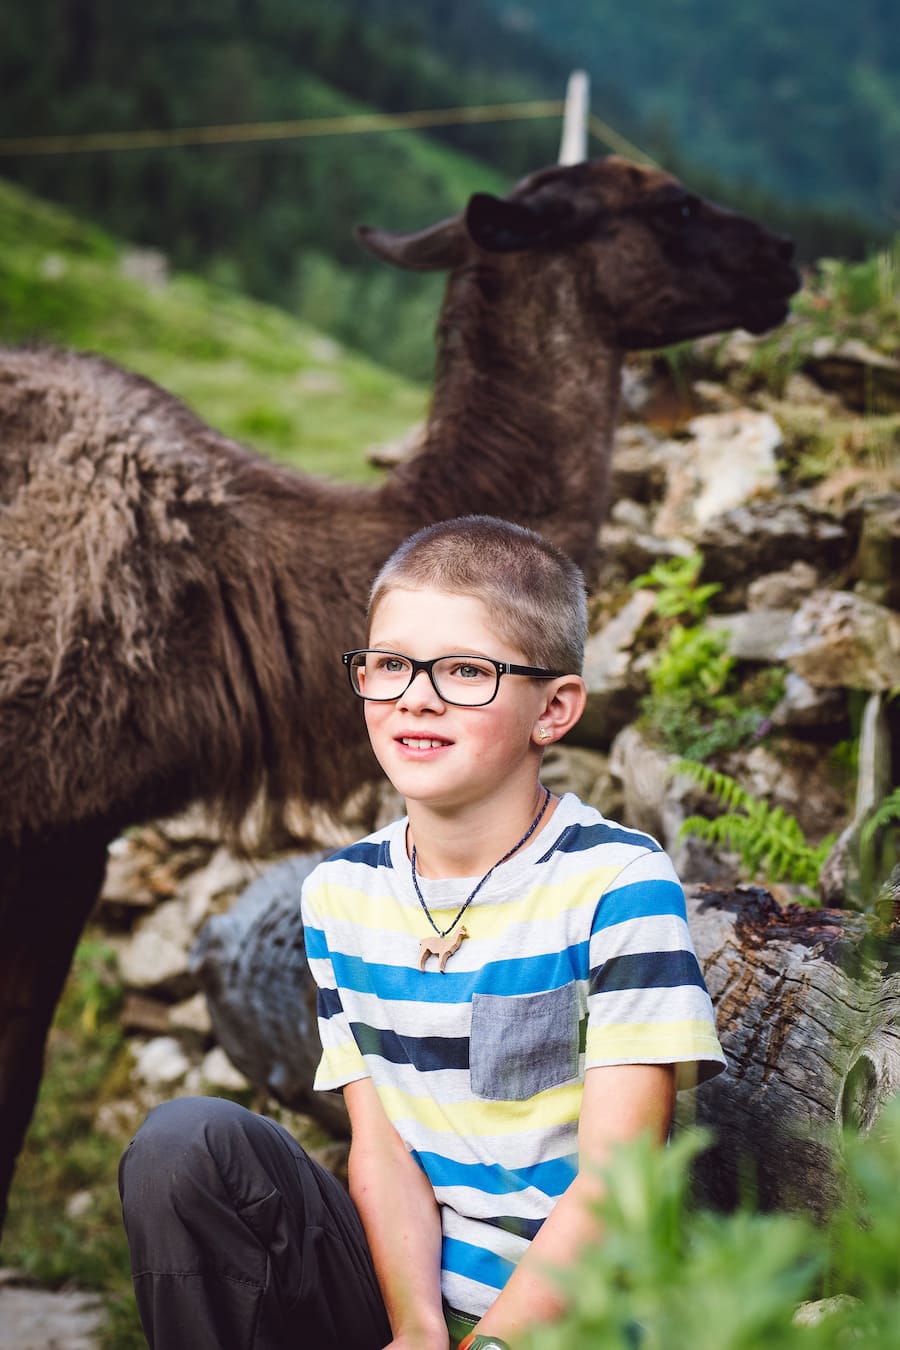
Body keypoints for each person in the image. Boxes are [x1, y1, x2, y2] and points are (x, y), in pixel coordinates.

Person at [119, 515, 725, 1350]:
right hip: (403, 1292)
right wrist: (415, 1330)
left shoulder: (616, 884)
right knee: (186, 1145)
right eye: (392, 664)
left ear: (554, 709)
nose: (416, 695)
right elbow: (384, 1148)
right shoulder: (343, 893)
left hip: (573, 1311)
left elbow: (621, 1176)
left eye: (467, 670)